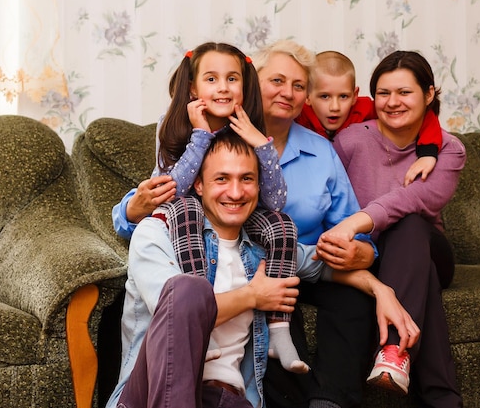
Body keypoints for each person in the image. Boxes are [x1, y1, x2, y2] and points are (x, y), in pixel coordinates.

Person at [113, 41, 307, 373]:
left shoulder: (248, 130)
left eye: (232, 79)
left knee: (283, 223)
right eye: (212, 79)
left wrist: (261, 145)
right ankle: (199, 324)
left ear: (245, 88)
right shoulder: (172, 125)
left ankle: (278, 330)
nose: (223, 88)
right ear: (192, 87)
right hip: (184, 212)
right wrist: (201, 135)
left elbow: (273, 201)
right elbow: (176, 191)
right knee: (188, 209)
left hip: (235, 219)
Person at [252, 40, 420, 408]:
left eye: (298, 86)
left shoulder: (321, 150)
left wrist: (361, 252)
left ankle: (330, 402)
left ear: (305, 97)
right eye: (277, 81)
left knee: (354, 304)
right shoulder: (229, 144)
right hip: (264, 269)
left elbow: (352, 225)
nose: (289, 92)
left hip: (323, 267)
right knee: (273, 312)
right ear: (254, 80)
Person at [106, 128, 320, 408]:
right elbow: (176, 313)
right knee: (188, 289)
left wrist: (381, 289)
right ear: (199, 185)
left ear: (259, 187)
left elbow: (324, 262)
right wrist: (253, 296)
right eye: (222, 179)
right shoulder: (156, 233)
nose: (235, 192)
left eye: (247, 179)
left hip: (227, 399)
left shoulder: (264, 249)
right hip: (148, 395)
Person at [328, 51, 465, 407]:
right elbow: (329, 197)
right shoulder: (350, 140)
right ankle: (440, 396)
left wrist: (355, 222)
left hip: (425, 245)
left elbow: (417, 200)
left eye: (404, 92)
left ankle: (391, 346)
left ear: (429, 94)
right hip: (371, 256)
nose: (392, 102)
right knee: (425, 281)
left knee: (409, 223)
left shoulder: (449, 150)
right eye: (384, 93)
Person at [296, 50, 442, 186]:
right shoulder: (298, 114)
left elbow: (424, 115)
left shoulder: (364, 108)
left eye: (343, 96)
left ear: (355, 96)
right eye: (324, 96)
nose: (335, 107)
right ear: (307, 96)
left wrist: (427, 153)